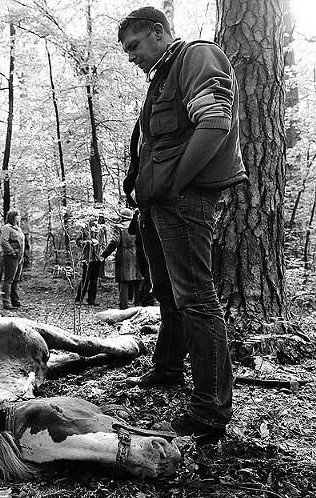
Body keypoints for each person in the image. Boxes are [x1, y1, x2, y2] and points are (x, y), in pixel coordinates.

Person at [118, 6, 247, 443]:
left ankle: (210, 412)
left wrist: (174, 184)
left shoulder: (196, 56)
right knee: (167, 294)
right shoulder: (163, 73)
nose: (130, 56)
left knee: (196, 298)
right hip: (159, 203)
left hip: (184, 200)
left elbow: (214, 123)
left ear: (158, 32)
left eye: (134, 46)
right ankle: (169, 369)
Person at [101, 208, 142, 309]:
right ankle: (138, 307)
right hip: (138, 255)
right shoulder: (138, 226)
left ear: (122, 217)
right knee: (138, 281)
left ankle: (124, 308)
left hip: (124, 256)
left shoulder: (118, 227)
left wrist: (104, 254)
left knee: (124, 282)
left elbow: (114, 242)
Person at [74, 215, 106, 306]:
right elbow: (78, 241)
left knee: (94, 280)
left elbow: (104, 243)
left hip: (97, 258)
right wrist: (88, 242)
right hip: (87, 258)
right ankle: (78, 299)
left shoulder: (101, 230)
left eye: (98, 219)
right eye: (95, 218)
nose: (96, 220)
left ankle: (91, 300)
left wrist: (102, 252)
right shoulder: (85, 228)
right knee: (85, 279)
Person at [0, 209, 25, 310]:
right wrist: (12, 252)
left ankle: (16, 302)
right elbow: (4, 241)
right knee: (8, 280)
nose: (19, 217)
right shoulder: (7, 228)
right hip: (11, 257)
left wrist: (21, 256)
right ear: (12, 217)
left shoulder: (18, 229)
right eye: (17, 215)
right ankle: (6, 302)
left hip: (19, 257)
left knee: (16, 280)